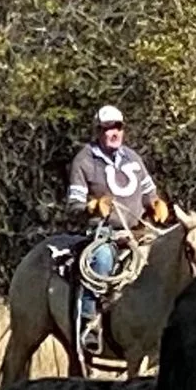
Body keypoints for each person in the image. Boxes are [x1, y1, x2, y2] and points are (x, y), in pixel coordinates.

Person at [64, 105, 163, 357]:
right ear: (98, 131)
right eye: (108, 128)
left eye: (118, 127)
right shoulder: (84, 161)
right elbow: (73, 206)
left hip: (138, 233)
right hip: (103, 233)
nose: (114, 132)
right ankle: (90, 323)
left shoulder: (133, 158)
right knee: (102, 260)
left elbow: (149, 194)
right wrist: (92, 207)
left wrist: (156, 205)